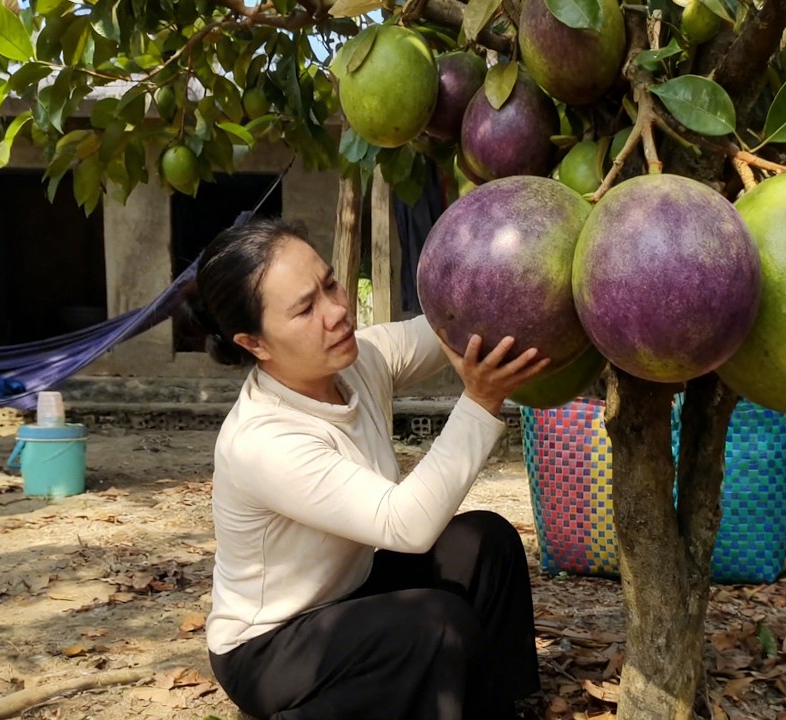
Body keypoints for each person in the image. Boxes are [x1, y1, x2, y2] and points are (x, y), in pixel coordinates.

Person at [188, 217, 552, 720]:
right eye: (305, 309)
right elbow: (406, 525)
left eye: (331, 284)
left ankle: (492, 708)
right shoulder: (264, 440)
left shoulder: (357, 361)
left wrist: (535, 272)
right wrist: (482, 399)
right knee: (434, 625)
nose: (337, 312)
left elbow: (455, 321)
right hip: (271, 648)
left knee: (485, 543)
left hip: (349, 594)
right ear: (256, 344)